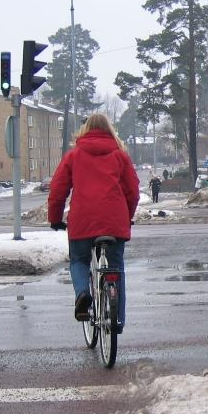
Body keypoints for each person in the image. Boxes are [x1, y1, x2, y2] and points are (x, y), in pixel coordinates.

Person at [48, 113, 140, 323]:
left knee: (79, 260)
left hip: (82, 221)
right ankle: (118, 320)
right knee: (116, 266)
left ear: (85, 129)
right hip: (114, 222)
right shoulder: (120, 155)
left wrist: (55, 218)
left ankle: (82, 293)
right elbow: (132, 191)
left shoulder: (73, 156)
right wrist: (128, 216)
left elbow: (57, 190)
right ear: (110, 130)